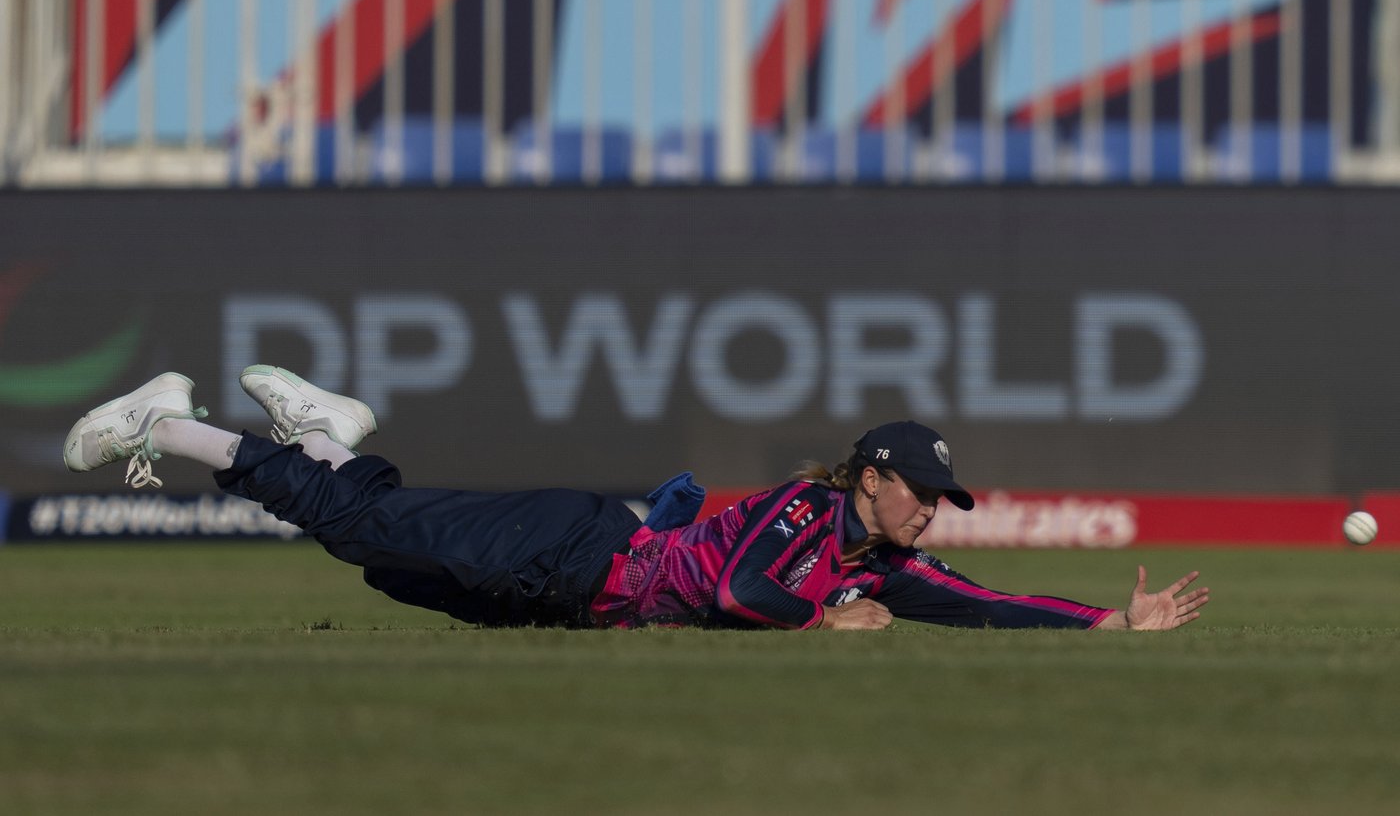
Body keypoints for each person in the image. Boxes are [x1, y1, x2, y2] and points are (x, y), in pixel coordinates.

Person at [63, 367, 1209, 631]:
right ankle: (172, 422)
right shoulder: (807, 518)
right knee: (361, 530)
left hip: (560, 595)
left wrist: (1109, 623)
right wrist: (825, 623)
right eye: (920, 494)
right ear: (869, 475)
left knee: (375, 559)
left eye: (936, 502)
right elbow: (754, 590)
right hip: (573, 547)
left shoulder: (874, 561)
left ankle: (324, 437)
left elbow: (975, 600)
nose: (929, 514)